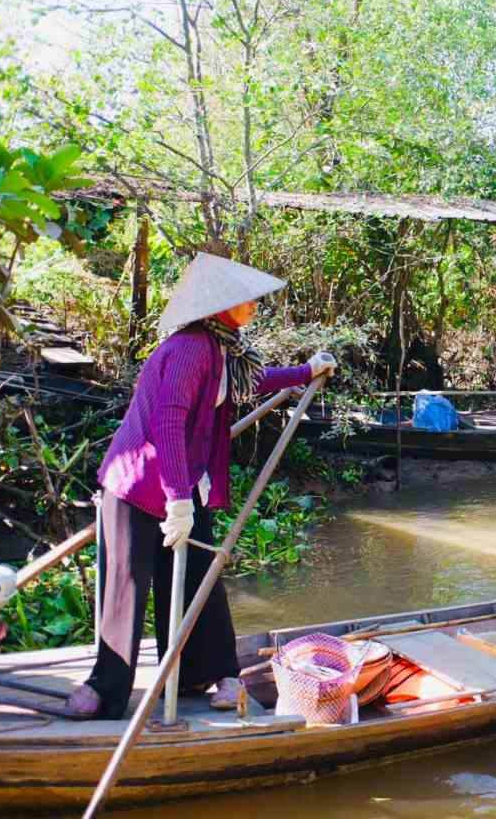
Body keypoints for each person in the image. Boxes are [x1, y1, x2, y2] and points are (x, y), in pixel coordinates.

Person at [63, 252, 338, 719]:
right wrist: (177, 501)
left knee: (198, 581)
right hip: (139, 485)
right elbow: (167, 424)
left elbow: (246, 384)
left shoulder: (223, 350)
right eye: (247, 301)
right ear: (219, 307)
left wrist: (303, 372)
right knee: (126, 588)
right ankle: (104, 689)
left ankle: (207, 675)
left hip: (184, 481)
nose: (254, 306)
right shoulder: (191, 348)